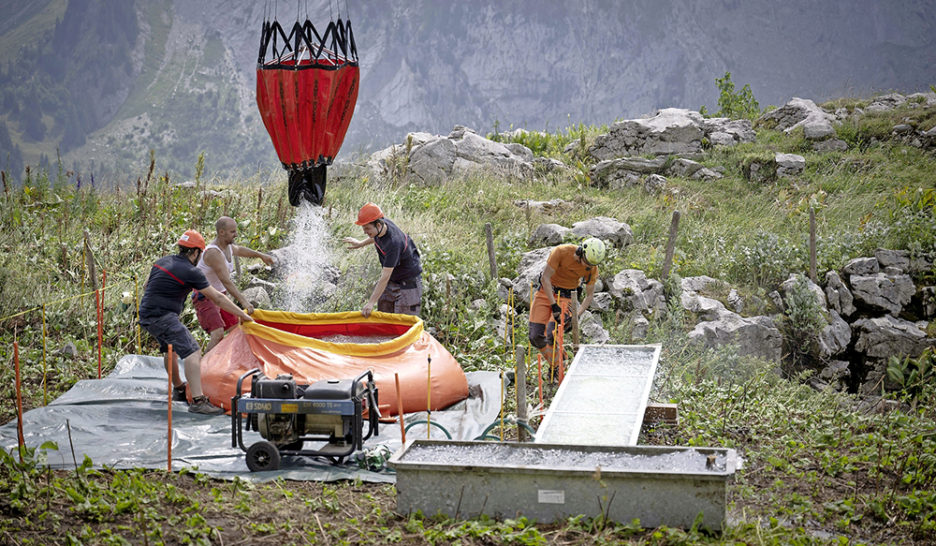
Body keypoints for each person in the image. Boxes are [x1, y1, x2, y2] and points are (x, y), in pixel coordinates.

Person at [138, 230, 254, 415]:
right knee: (193, 351)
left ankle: (179, 389)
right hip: (163, 316)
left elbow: (146, 286)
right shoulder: (191, 271)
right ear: (195, 253)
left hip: (146, 313)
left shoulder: (163, 261)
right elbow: (217, 298)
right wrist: (244, 315)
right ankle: (199, 402)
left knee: (170, 349)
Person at [195, 216, 275, 352]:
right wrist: (243, 301)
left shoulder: (228, 247)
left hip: (220, 296)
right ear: (221, 232)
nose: (236, 234)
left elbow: (240, 250)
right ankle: (201, 368)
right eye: (232, 232)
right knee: (218, 334)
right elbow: (226, 281)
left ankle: (227, 363)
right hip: (205, 297)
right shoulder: (214, 253)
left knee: (236, 330)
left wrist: (261, 255)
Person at [528, 237, 607, 371]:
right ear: (581, 251)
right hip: (546, 291)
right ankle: (557, 364)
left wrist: (576, 315)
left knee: (551, 334)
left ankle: (561, 367)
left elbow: (589, 296)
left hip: (567, 297)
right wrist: (554, 306)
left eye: (590, 264)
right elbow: (545, 278)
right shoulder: (561, 252)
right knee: (535, 336)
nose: (585, 266)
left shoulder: (591, 268)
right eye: (586, 261)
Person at [342, 203, 423, 317]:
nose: (365, 232)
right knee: (383, 315)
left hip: (409, 283)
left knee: (403, 321)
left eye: (367, 228)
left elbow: (384, 277)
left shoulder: (394, 243)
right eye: (363, 228)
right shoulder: (380, 227)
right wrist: (360, 244)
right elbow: (375, 237)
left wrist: (370, 303)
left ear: (379, 225)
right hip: (393, 279)